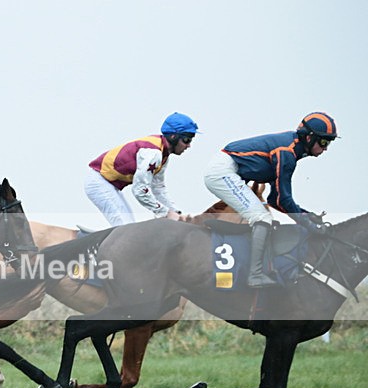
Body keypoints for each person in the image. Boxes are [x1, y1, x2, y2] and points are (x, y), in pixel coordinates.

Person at [204, 112, 337, 288]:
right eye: (324, 142)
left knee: (262, 217)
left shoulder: (292, 150)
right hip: (223, 172)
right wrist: (309, 225)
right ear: (309, 137)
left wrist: (306, 214)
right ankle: (255, 275)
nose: (325, 148)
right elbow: (284, 199)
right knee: (262, 217)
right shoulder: (286, 153)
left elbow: (275, 200)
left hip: (228, 170)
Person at [84, 112, 199, 227]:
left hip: (109, 183)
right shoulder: (154, 154)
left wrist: (176, 213)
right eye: (186, 140)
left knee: (129, 225)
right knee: (126, 228)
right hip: (99, 182)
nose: (189, 145)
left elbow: (158, 188)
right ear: (173, 137)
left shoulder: (163, 153)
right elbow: (140, 190)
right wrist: (165, 213)